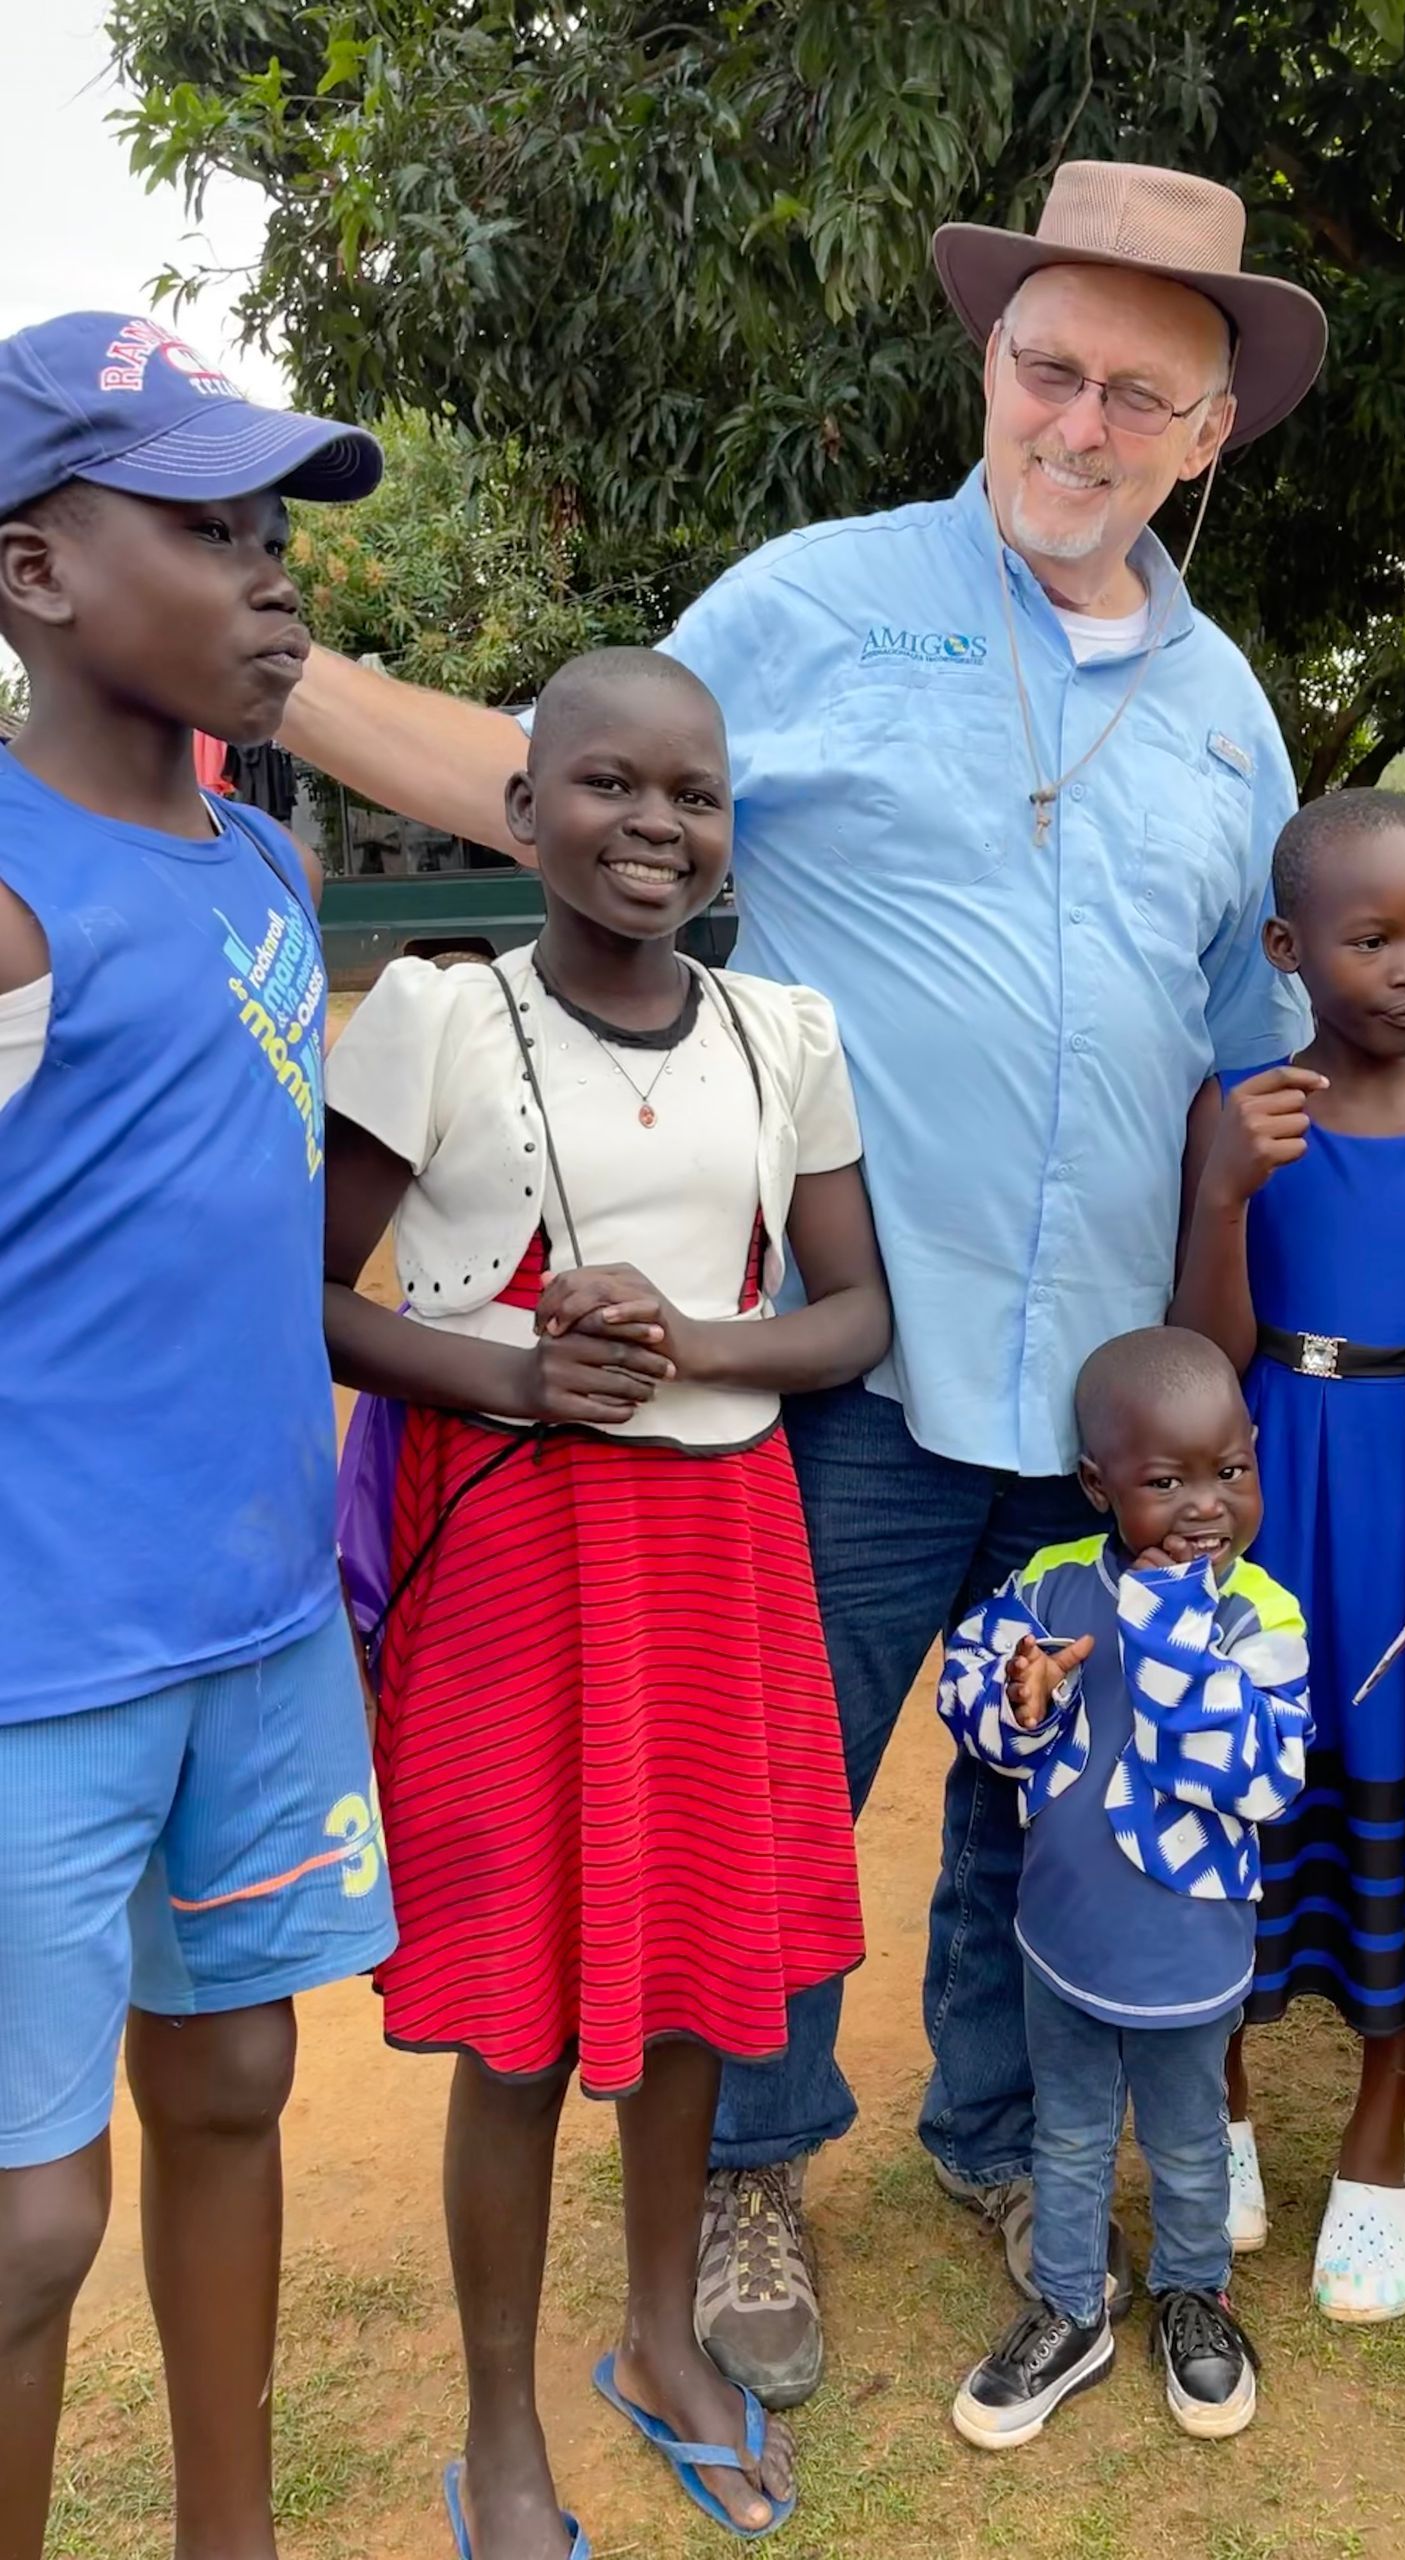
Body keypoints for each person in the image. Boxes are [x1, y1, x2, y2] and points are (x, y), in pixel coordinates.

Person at [271, 160, 1355, 2403]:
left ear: (1209, 433)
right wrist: (273, 674)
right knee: (781, 1788)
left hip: (1104, 1385)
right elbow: (550, 775)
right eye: (1047, 368)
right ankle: (752, 2162)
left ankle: (994, 2127)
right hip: (849, 1350)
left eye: (1134, 395)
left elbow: (1246, 1044)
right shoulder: (815, 602)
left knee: (1042, 1777)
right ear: (992, 361)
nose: (1077, 423)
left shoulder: (1232, 711)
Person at [322, 648, 886, 2549]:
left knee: (703, 1964)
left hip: (721, 1550)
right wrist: (514, 1374)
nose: (655, 825)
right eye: (608, 785)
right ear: (521, 809)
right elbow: (309, 1292)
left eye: (694, 796)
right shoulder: (437, 1016)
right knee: (519, 2009)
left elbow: (853, 1314)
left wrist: (692, 1344)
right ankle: (501, 2423)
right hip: (516, 1554)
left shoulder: (782, 1032)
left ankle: (658, 2338)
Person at [0, 312, 394, 2560]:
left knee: (238, 2072)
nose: (271, 575)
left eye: (272, 529)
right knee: (27, 2219)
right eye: (207, 528)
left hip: (256, 1626)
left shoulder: (265, 870)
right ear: (36, 573)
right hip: (37, 1661)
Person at [1171, 791, 1405, 2316]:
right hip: (1275, 1476)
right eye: (1372, 939)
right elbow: (1207, 1349)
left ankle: (1377, 2149)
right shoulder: (1240, 1110)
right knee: (1241, 1790)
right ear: (1287, 949)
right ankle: (1224, 2108)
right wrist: (1225, 1187)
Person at [937, 1329, 1310, 2450]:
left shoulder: (1261, 1616)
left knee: (1191, 2141)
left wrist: (1166, 1633)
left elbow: (1261, 1779)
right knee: (1068, 2133)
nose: (1204, 1507)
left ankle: (1195, 2292)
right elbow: (970, 1687)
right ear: (1098, 1485)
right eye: (1164, 1481)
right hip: (1063, 1937)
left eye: (1229, 1471)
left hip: (1189, 1955)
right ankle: (1070, 2307)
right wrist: (1022, 1697)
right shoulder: (1052, 1583)